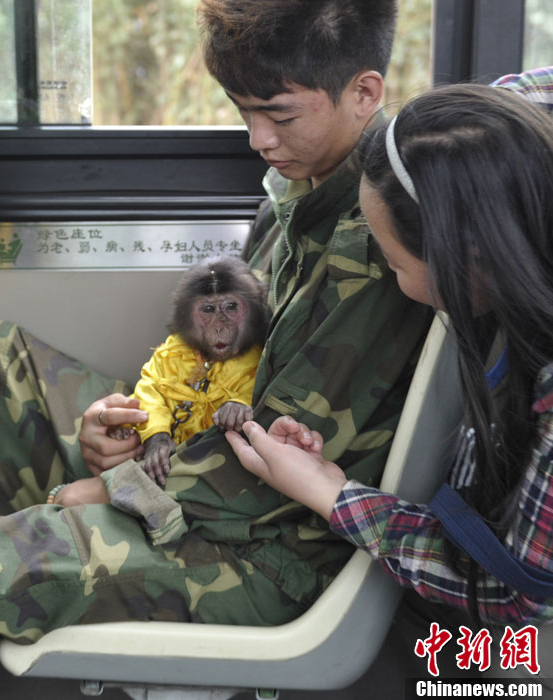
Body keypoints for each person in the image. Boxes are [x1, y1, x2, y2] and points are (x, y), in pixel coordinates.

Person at [0, 0, 432, 643]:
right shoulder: (295, 196)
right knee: (11, 365)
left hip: (264, 544)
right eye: (242, 111)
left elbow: (279, 463)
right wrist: (137, 428)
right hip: (203, 456)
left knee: (15, 558)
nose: (257, 138)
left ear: (364, 91)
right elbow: (212, 364)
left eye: (278, 114)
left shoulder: (372, 252)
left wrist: (111, 488)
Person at [225, 82, 553, 688]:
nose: (391, 279)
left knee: (423, 660)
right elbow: (517, 93)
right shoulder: (523, 179)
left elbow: (515, 602)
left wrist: (334, 496)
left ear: (472, 257)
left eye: (396, 264)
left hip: (530, 628)